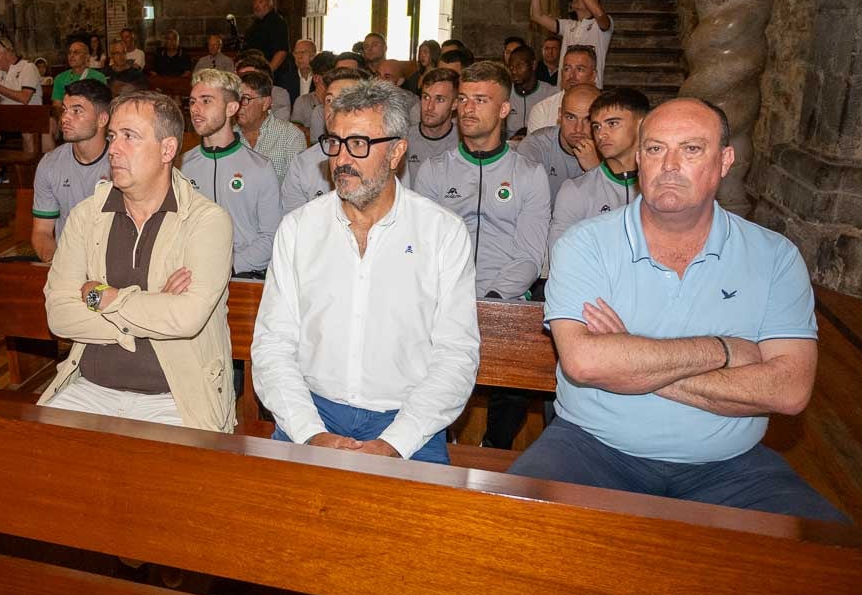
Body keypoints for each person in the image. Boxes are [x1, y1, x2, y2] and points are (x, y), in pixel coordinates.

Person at [508, 99, 846, 523]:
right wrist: (723, 349)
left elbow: (789, 389)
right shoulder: (585, 244)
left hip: (730, 464)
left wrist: (629, 361)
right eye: (654, 149)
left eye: (690, 149)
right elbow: (585, 363)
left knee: (844, 567)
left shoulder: (773, 256)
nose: (669, 164)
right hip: (593, 449)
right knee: (510, 534)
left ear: (725, 161)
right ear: (637, 159)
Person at [252, 78, 479, 464]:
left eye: (358, 144)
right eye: (335, 142)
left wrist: (396, 441)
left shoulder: (441, 232)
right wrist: (310, 432)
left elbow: (456, 356)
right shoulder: (299, 228)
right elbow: (273, 345)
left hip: (409, 418)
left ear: (396, 152)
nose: (341, 159)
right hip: (312, 409)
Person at [38, 91, 235, 430]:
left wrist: (105, 296)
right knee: (30, 468)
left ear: (167, 150)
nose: (113, 148)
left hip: (176, 397)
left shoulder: (206, 221)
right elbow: (59, 316)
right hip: (90, 388)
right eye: (113, 136)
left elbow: (187, 318)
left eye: (130, 137)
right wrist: (153, 309)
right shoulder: (87, 217)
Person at [415, 61, 550, 450]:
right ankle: (434, 445)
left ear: (504, 110)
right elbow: (423, 248)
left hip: (502, 303)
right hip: (442, 300)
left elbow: (529, 256)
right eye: (463, 99)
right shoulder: (434, 171)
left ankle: (496, 448)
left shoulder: (528, 174)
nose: (468, 108)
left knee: (515, 356)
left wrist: (489, 302)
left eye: (480, 100)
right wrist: (452, 299)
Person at [182, 70, 281, 276]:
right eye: (192, 102)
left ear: (231, 108)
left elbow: (271, 237)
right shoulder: (183, 165)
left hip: (242, 273)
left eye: (206, 101)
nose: (195, 109)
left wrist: (230, 266)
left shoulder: (260, 168)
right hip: (191, 274)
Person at [548, 88, 649, 254]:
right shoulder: (576, 190)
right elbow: (560, 257)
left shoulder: (665, 188)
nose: (601, 134)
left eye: (612, 124)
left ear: (641, 124)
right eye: (596, 126)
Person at [31, 78, 112, 262]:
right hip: (67, 262)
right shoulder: (50, 164)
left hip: (112, 265)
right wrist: (57, 265)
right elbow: (42, 231)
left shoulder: (122, 163)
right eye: (65, 110)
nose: (65, 118)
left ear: (102, 119)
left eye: (77, 111)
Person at [281, 66, 367, 214]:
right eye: (329, 99)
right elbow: (293, 225)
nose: (334, 107)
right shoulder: (304, 163)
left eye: (345, 98)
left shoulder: (382, 154)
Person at [517, 84, 601, 206]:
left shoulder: (610, 150)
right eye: (571, 117)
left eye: (587, 119)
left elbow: (617, 212)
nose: (578, 129)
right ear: (560, 115)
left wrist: (596, 171)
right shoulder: (535, 147)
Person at [531, 0, 614, 84]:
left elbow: (599, 14)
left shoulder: (599, 26)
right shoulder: (568, 25)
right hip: (565, 89)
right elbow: (537, 16)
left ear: (594, 2)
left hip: (589, 89)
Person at [234, 70, 306, 183]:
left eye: (245, 99)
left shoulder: (290, 136)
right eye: (236, 99)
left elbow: (296, 189)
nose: (238, 105)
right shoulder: (228, 136)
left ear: (266, 103)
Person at [402, 67, 458, 185]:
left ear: (454, 104)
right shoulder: (404, 140)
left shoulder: (464, 144)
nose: (429, 107)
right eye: (426, 97)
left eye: (440, 99)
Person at [527, 44, 598, 134]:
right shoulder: (542, 110)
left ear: (593, 75)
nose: (572, 76)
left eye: (580, 69)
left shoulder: (605, 109)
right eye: (567, 69)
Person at [246, 0, 297, 96]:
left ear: (269, 3)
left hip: (274, 76)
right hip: (256, 73)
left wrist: (267, 73)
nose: (256, 5)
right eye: (254, 2)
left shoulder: (277, 22)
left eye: (260, 1)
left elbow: (281, 52)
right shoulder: (256, 24)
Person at [505, 44, 557, 139]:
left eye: (519, 66)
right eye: (511, 67)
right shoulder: (505, 93)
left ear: (533, 65)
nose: (514, 71)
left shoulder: (550, 93)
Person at [290, 51, 337, 141]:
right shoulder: (302, 101)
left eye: (322, 75)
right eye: (314, 74)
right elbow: (295, 135)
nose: (316, 80)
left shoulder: (344, 101)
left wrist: (325, 103)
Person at [0, 37, 42, 105]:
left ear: (8, 53)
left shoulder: (28, 67)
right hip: (5, 114)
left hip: (27, 114)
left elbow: (25, 98)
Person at [51, 39, 108, 104]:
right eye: (69, 53)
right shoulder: (60, 78)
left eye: (76, 52)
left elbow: (102, 104)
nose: (71, 55)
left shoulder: (98, 77)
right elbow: (57, 106)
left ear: (87, 57)